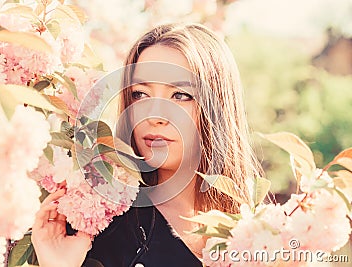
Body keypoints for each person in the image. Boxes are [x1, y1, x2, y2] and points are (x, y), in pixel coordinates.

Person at [31, 22, 263, 267]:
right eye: (140, 94)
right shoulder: (97, 224)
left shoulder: (259, 234)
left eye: (180, 95)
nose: (154, 116)